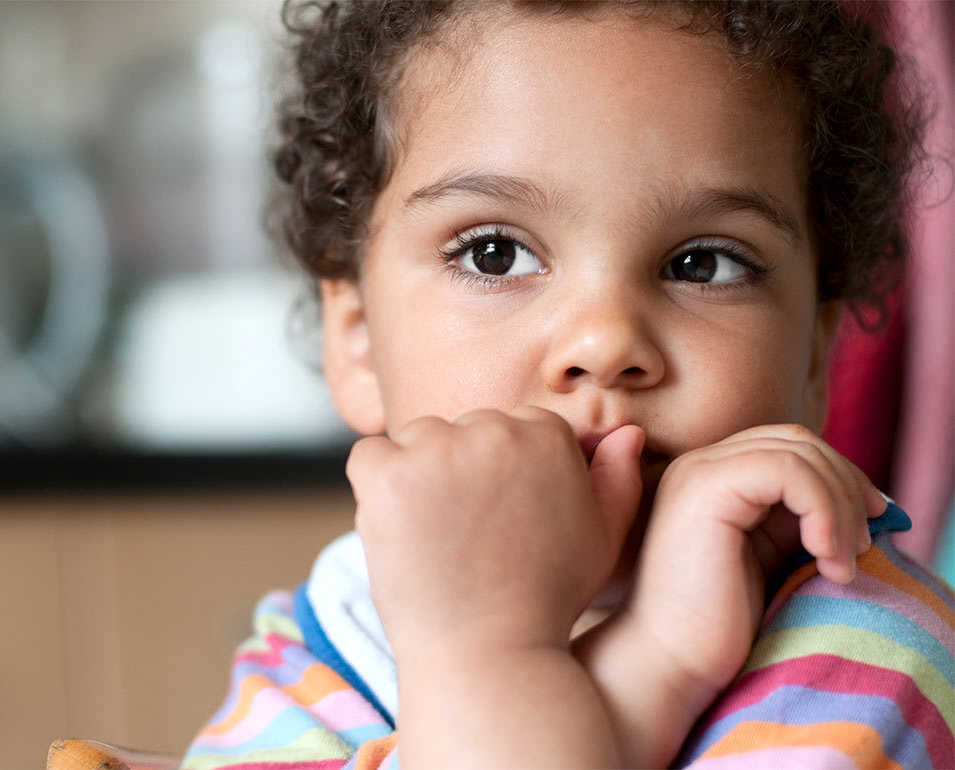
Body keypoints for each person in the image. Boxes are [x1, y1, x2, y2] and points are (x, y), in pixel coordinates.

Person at [182, 1, 954, 768]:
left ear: (817, 355)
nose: (605, 342)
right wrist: (643, 672)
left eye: (704, 263)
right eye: (494, 254)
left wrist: (487, 655)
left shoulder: (873, 654)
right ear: (353, 338)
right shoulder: (321, 638)